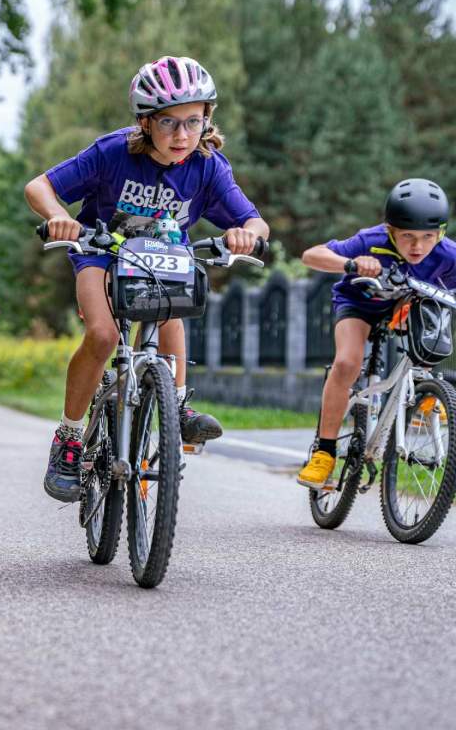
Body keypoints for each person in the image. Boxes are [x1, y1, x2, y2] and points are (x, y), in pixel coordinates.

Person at [24, 55, 270, 502]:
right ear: (145, 122)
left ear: (207, 118)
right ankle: (70, 437)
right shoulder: (112, 152)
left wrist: (246, 235)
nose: (182, 135)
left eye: (193, 121)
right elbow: (38, 187)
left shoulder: (209, 166)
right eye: (168, 122)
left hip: (164, 262)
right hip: (101, 254)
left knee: (171, 310)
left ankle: (177, 407)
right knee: (103, 335)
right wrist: (61, 218)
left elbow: (255, 222)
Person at [297, 178, 456, 488]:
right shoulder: (370, 240)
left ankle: (425, 390)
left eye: (427, 237)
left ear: (440, 233)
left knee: (435, 324)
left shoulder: (447, 255)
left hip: (406, 308)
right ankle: (324, 454)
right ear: (390, 230)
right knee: (348, 363)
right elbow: (311, 255)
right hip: (360, 304)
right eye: (407, 236)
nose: (417, 247)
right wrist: (351, 263)